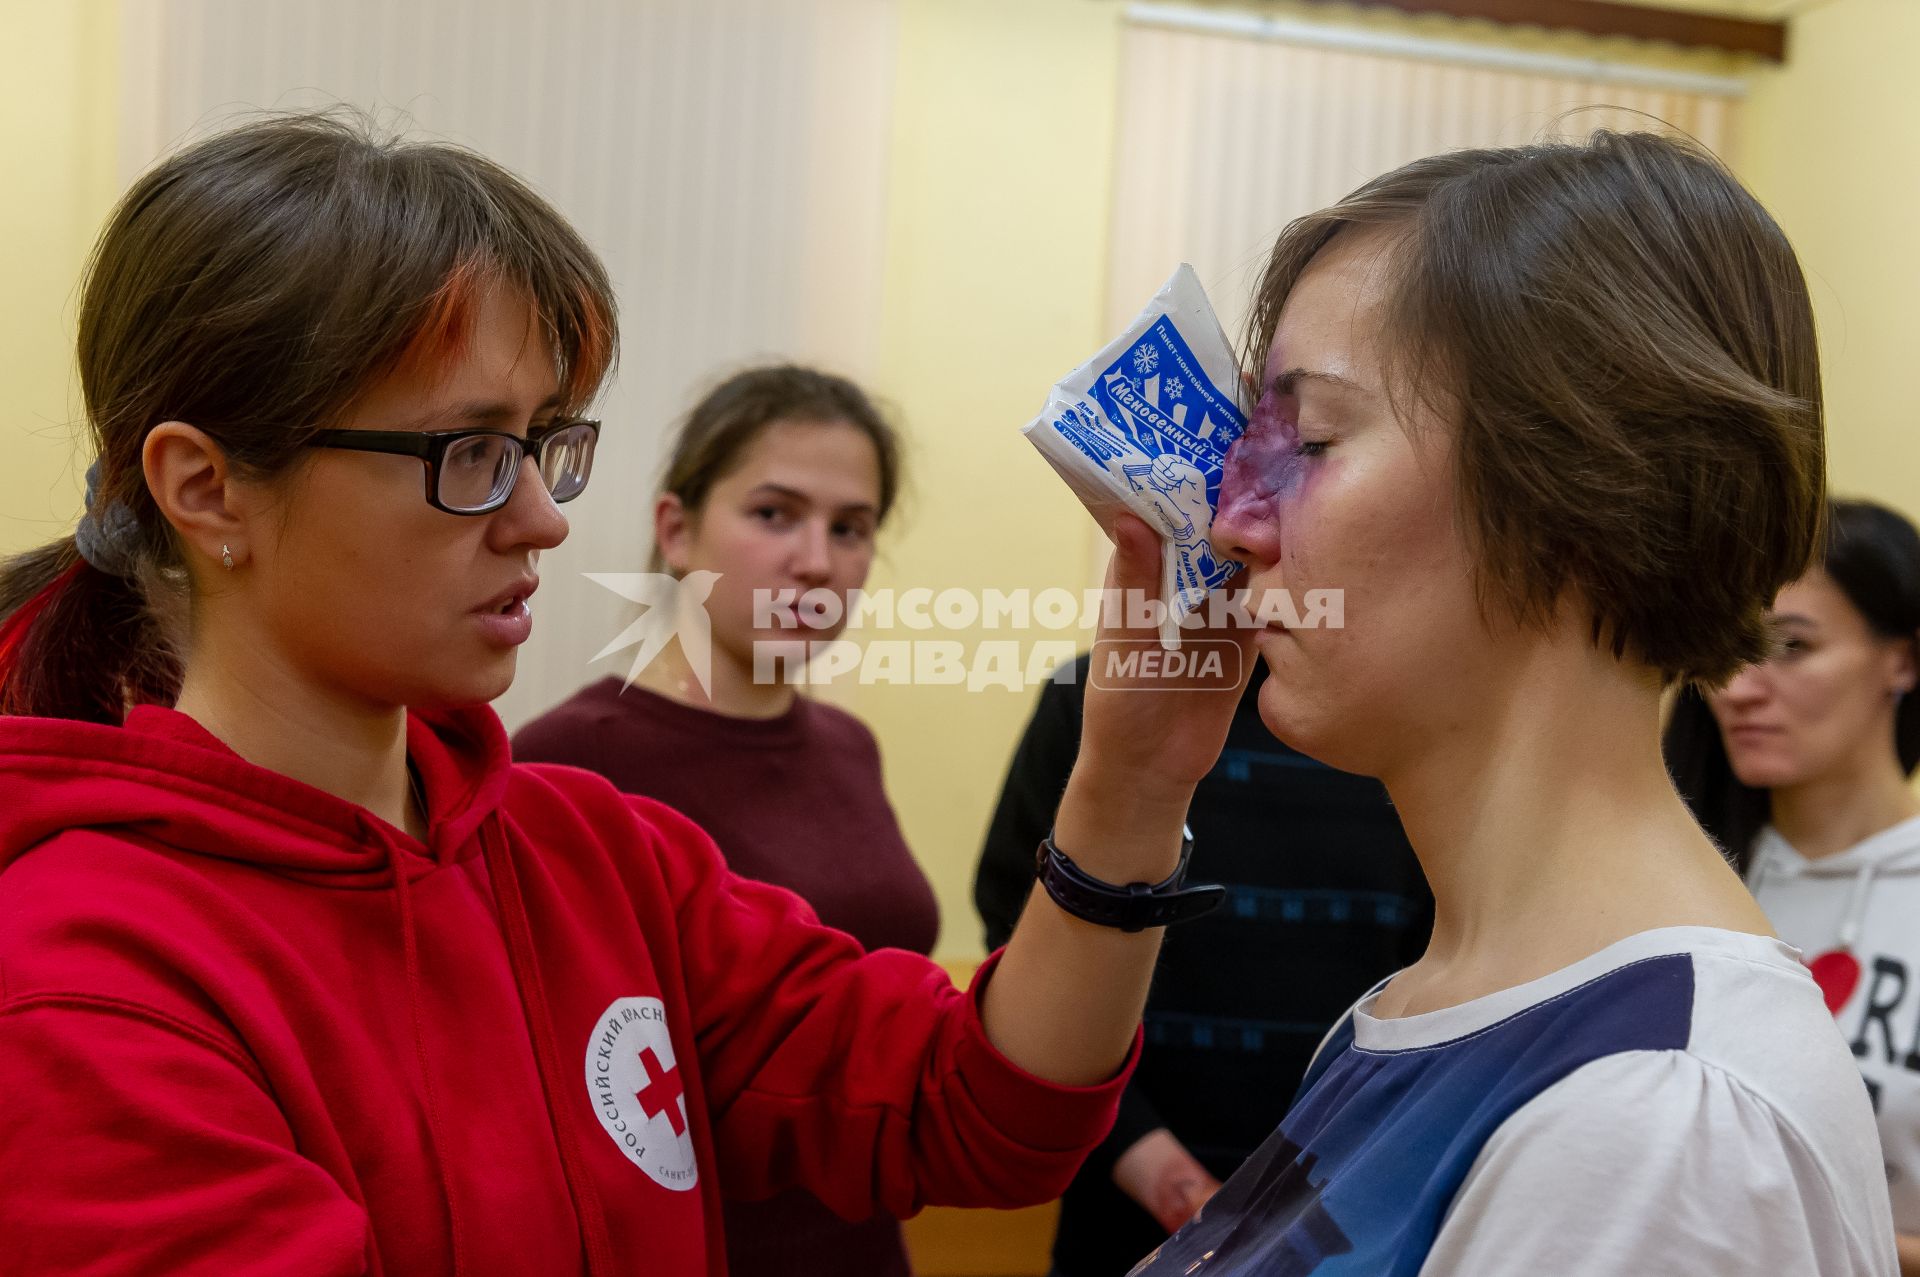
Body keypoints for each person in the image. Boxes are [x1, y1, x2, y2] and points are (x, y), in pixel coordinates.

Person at [0, 113, 1255, 1277]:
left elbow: (979, 1108)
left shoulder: (592, 855)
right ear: (207, 488)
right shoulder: (78, 978)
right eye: (473, 454)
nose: (546, 516)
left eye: (548, 444)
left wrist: (1133, 779)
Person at [1128, 131, 1897, 1275]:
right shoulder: (1417, 1009)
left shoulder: (1653, 1119)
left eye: (1318, 440)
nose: (1236, 520)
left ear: (1577, 488)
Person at [513, 364, 939, 1277]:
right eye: (774, 513)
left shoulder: (848, 745)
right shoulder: (569, 762)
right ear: (677, 530)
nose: (816, 559)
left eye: (850, 528)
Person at [974, 652, 1429, 1275]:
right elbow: (1015, 931)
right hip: (1118, 1218)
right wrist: (1165, 1176)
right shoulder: (1095, 691)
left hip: (1357, 1223)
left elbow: (1450, 972)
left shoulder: (1421, 711)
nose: (1259, 550)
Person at [1665, 498, 1920, 1272]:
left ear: (1903, 660)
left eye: (1790, 647)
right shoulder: (1679, 886)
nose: (1739, 688)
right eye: (1729, 651)